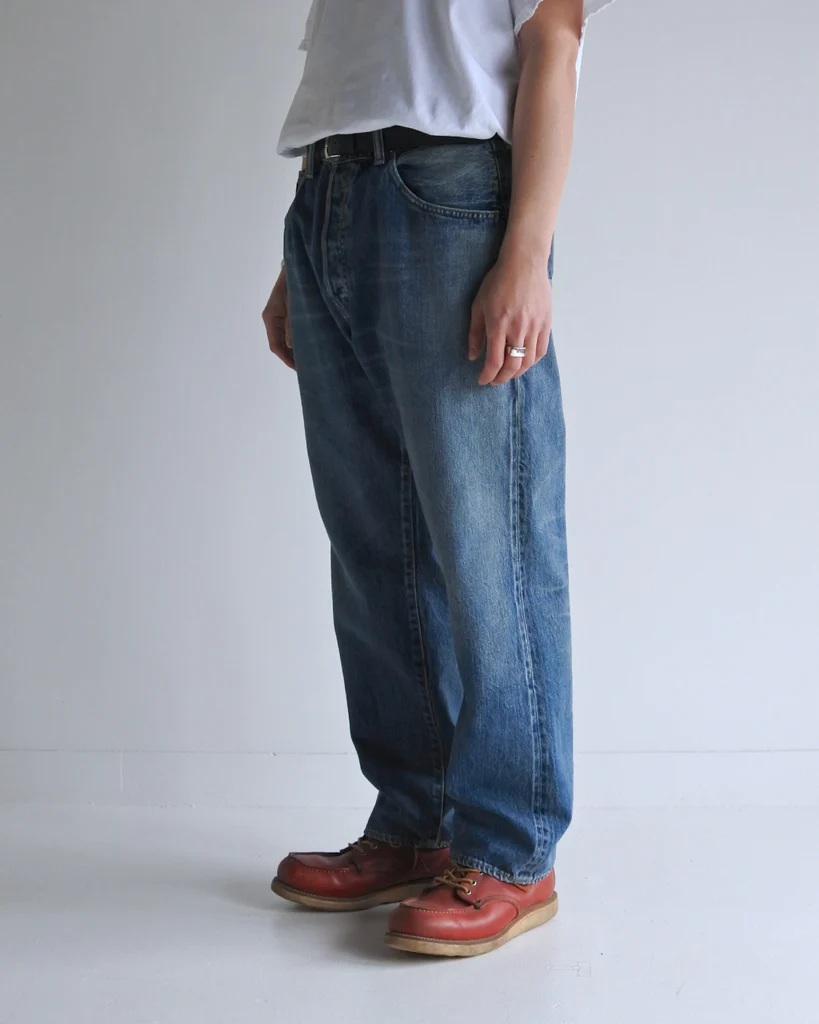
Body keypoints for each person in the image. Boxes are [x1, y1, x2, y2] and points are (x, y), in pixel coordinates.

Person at [262, 0, 619, 958]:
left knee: (490, 544)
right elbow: (363, 65)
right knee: (372, 544)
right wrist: (309, 253)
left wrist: (526, 254)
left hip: (451, 194)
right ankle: (417, 822)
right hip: (329, 189)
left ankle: (510, 850)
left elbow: (552, 39)